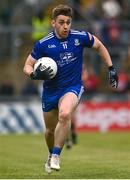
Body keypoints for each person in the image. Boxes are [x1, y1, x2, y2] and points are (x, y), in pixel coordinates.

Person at [23, 4, 118, 173]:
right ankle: (51, 153)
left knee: (65, 114)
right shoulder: (43, 44)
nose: (65, 26)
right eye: (61, 22)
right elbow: (27, 66)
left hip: (72, 87)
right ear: (53, 23)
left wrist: (111, 69)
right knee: (50, 131)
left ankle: (57, 155)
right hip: (50, 91)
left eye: (68, 22)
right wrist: (34, 75)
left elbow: (100, 46)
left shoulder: (79, 37)